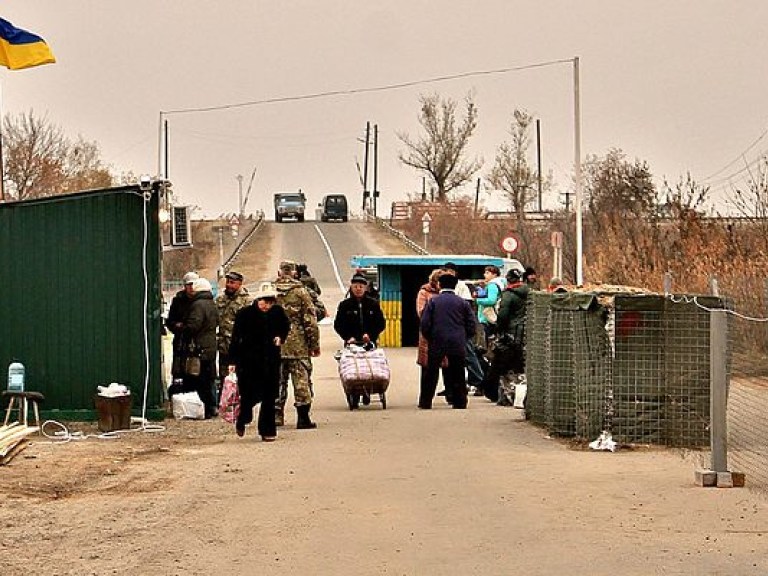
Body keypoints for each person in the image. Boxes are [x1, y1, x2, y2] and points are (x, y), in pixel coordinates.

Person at [228, 282, 290, 442]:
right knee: (249, 396)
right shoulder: (245, 314)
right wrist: (233, 360)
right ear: (257, 300)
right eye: (264, 302)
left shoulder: (277, 313)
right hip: (248, 362)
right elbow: (235, 338)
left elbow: (285, 326)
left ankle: (267, 430)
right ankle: (243, 419)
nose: (266, 306)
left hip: (270, 360)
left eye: (270, 302)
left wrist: (280, 337)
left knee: (269, 397)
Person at [419, 273, 476, 409]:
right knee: (458, 372)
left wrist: (430, 337)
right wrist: (464, 337)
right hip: (457, 341)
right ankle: (460, 401)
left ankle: (425, 402)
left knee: (431, 372)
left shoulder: (433, 302)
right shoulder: (462, 302)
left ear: (439, 285)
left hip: (437, 340)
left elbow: (425, 323)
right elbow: (471, 324)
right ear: (455, 286)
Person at [274, 260, 321, 429]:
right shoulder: (301, 292)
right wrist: (314, 344)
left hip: (275, 343)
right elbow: (310, 320)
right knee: (301, 380)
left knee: (277, 380)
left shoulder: (271, 291)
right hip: (298, 344)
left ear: (279, 273)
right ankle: (303, 417)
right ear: (294, 273)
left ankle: (276, 416)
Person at [333, 272, 387, 408]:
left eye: (361, 286)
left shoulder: (372, 304)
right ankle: (355, 395)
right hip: (352, 343)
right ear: (351, 287)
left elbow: (381, 323)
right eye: (355, 286)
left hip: (369, 342)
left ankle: (367, 391)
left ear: (366, 288)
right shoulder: (345, 305)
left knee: (369, 370)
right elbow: (338, 324)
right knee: (354, 371)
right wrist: (347, 337)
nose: (358, 289)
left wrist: (371, 335)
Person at [482, 268, 530, 403]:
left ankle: (501, 394)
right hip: (526, 334)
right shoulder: (530, 293)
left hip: (510, 334)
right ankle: (519, 394)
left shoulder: (508, 295)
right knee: (519, 366)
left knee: (500, 364)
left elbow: (503, 316)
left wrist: (498, 328)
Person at [443, 262, 485, 396]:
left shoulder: (461, 286)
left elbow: (468, 307)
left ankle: (480, 382)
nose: (448, 273)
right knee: (450, 360)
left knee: (469, 355)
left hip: (460, 327)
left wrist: (468, 328)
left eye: (451, 271)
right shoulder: (443, 285)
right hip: (449, 327)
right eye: (446, 270)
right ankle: (450, 386)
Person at [182, 278, 219, 418]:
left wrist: (184, 329)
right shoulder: (212, 303)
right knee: (209, 377)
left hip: (199, 346)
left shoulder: (198, 305)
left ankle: (205, 408)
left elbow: (194, 325)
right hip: (210, 344)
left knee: (200, 378)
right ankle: (212, 406)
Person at [215, 270, 250, 392]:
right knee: (224, 380)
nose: (229, 285)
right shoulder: (220, 300)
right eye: (228, 282)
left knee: (241, 380)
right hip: (224, 347)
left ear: (240, 284)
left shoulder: (247, 301)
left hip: (240, 349)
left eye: (232, 282)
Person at [165, 271, 199, 381]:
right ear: (185, 286)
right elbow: (170, 321)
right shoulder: (177, 301)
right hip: (180, 341)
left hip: (197, 342)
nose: (191, 288)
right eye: (189, 285)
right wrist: (177, 326)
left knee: (195, 371)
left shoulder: (201, 301)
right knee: (179, 370)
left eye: (194, 284)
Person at [416, 269, 442, 401]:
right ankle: (425, 397)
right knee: (427, 367)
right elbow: (421, 312)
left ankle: (450, 395)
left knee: (447, 366)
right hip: (428, 334)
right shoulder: (424, 292)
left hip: (444, 333)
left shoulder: (445, 293)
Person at [474, 265, 505, 339]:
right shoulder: (499, 283)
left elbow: (491, 300)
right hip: (493, 316)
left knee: (488, 338)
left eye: (487, 273)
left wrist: (478, 300)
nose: (485, 275)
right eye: (485, 273)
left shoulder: (492, 285)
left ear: (494, 275)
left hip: (488, 316)